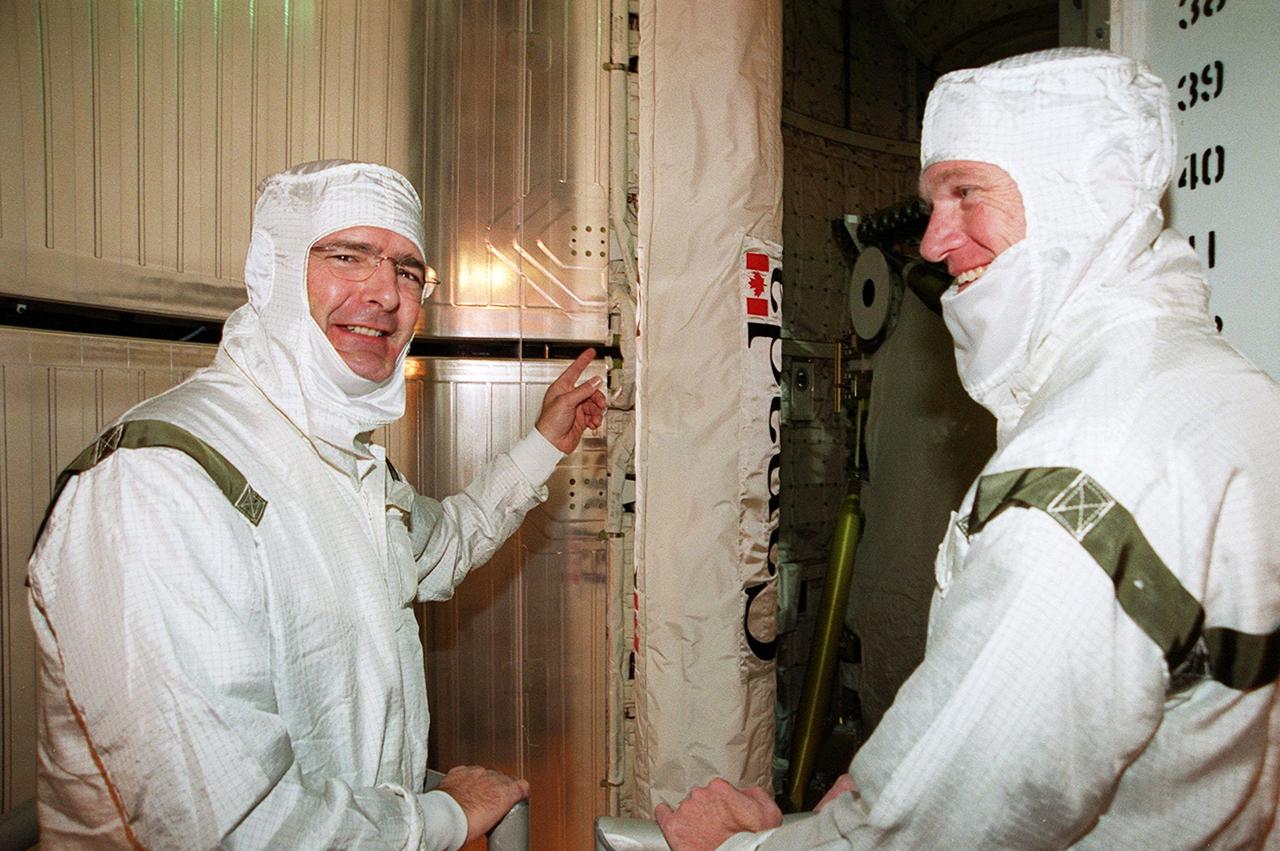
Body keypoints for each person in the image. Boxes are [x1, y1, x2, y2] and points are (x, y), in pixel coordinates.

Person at [655, 48, 1280, 849]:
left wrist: (737, 846)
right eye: (931, 201)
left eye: (966, 193)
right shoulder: (1221, 387)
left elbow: (944, 832)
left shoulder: (1082, 468)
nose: (935, 241)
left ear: (1080, 193)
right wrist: (917, 767)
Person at [27, 160, 606, 849]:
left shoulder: (341, 461)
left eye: (408, 272)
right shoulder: (157, 484)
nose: (385, 295)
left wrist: (545, 441)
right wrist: (443, 816)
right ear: (273, 269)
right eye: (347, 256)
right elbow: (232, 828)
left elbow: (444, 543)